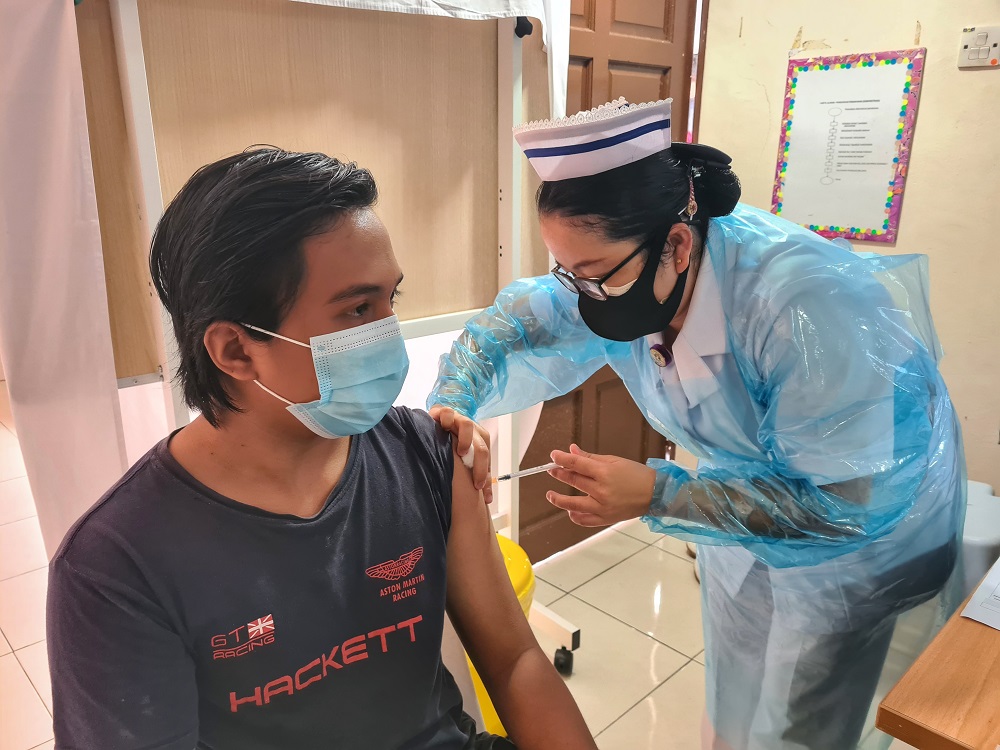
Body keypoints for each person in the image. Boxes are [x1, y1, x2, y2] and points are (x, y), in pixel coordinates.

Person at [428, 99, 966, 750]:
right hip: (742, 505)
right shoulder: (625, 268)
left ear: (677, 245)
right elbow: (513, 323)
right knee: (736, 695)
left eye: (592, 276)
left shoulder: (802, 305)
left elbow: (845, 504)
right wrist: (451, 407)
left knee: (802, 716)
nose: (579, 296)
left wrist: (660, 494)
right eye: (567, 272)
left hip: (856, 541)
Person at [46, 148, 596, 750]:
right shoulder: (117, 566)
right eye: (358, 310)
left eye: (392, 302)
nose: (389, 335)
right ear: (234, 350)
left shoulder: (427, 454)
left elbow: (516, 660)